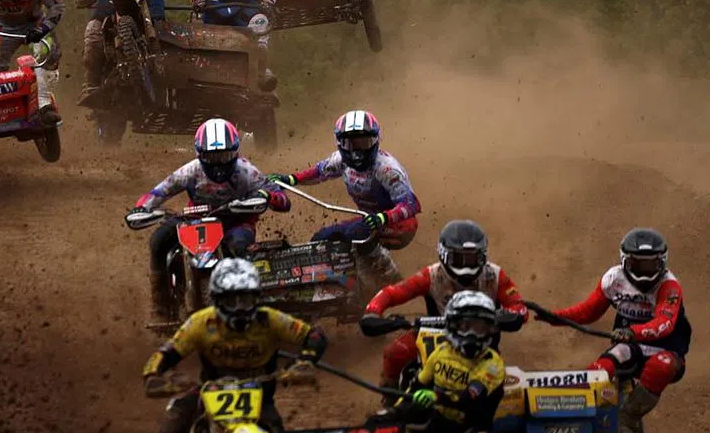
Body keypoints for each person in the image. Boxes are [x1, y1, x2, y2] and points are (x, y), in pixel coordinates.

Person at [142, 258, 328, 433]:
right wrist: (154, 375)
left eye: (246, 299)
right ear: (217, 300)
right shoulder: (201, 323)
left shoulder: (270, 320)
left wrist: (306, 361)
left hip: (260, 397)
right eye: (232, 301)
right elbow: (167, 352)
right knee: (173, 426)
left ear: (258, 298)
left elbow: (314, 336)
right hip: (209, 393)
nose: (240, 308)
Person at [538, 228, 691, 433]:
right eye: (638, 263)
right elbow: (588, 311)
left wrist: (633, 332)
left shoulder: (670, 286)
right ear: (625, 261)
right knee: (601, 369)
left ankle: (627, 419)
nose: (644, 271)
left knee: (662, 366)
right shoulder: (613, 279)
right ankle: (571, 415)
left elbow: (664, 325)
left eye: (650, 264)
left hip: (666, 349)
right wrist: (554, 317)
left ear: (662, 262)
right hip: (630, 346)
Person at [128, 118, 290, 320]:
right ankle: (159, 301)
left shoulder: (247, 171)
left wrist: (267, 196)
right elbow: (159, 192)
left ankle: (249, 300)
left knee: (242, 248)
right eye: (211, 156)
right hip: (195, 218)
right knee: (158, 240)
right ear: (199, 154)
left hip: (235, 221)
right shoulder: (190, 170)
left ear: (235, 151)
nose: (219, 163)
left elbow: (283, 200)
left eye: (224, 155)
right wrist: (142, 207)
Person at [362, 220, 528, 392]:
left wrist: (512, 315)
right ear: (444, 254)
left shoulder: (495, 275)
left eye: (472, 258)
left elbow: (519, 306)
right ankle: (390, 396)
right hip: (436, 335)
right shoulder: (432, 275)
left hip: (479, 340)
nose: (466, 265)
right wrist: (373, 312)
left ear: (483, 255)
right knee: (395, 352)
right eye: (459, 258)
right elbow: (392, 293)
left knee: (494, 383)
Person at [269, 110, 418, 286]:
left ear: (376, 140)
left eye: (364, 142)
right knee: (321, 238)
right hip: (370, 220)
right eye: (350, 143)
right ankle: (335, 285)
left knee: (356, 238)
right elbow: (319, 171)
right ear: (339, 143)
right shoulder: (341, 160)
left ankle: (389, 279)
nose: (357, 151)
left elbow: (411, 204)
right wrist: (291, 179)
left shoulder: (387, 169)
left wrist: (383, 217)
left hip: (400, 224)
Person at [395, 291, 506, 433]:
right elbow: (416, 386)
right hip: (437, 423)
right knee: (392, 417)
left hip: (471, 429)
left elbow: (470, 399)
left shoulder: (492, 364)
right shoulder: (441, 352)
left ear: (490, 330)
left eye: (479, 328)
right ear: (453, 325)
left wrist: (436, 396)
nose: (472, 334)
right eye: (466, 326)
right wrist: (393, 413)